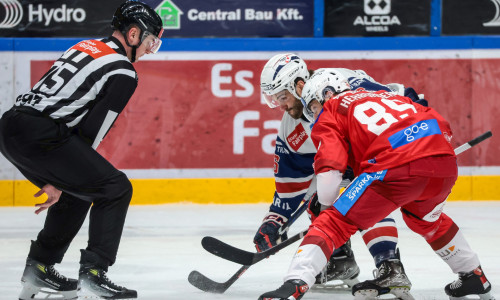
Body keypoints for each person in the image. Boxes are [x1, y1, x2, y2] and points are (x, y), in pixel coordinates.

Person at [258, 70, 495, 300]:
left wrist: (330, 207)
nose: (314, 114)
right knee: (426, 219)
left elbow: (330, 169)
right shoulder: (384, 93)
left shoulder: (330, 109)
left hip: (395, 166)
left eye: (313, 107)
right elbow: (428, 112)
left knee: (332, 223)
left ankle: (294, 285)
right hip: (443, 160)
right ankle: (473, 274)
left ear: (327, 94)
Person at [0, 1, 163, 299]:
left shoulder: (86, 45)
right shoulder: (124, 71)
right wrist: (67, 173)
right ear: (133, 34)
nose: (150, 50)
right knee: (115, 188)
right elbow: (92, 131)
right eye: (151, 41)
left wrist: (64, 178)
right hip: (43, 135)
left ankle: (40, 268)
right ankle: (94, 274)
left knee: (80, 190)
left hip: (11, 125)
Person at [256, 53, 420, 298]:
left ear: (298, 84)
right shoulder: (292, 129)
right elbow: (290, 182)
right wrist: (274, 221)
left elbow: (402, 96)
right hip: (357, 162)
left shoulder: (339, 83)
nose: (280, 106)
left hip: (389, 152)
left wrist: (427, 131)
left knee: (360, 198)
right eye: (273, 99)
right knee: (319, 202)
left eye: (282, 97)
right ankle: (341, 260)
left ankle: (390, 265)